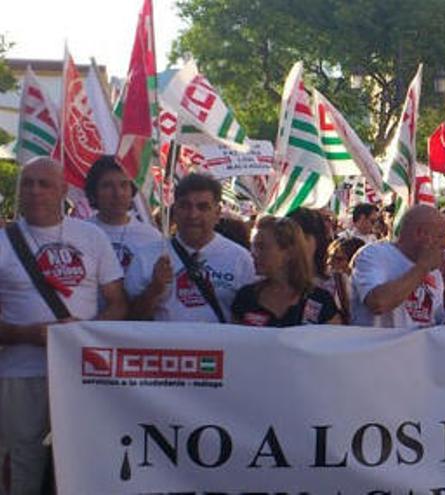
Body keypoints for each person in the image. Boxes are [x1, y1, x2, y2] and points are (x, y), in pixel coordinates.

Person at [0, 157, 127, 494]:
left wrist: (81, 335)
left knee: (81, 462)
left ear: (63, 191)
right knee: (22, 463)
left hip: (81, 372)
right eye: (27, 183)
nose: (34, 191)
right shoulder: (3, 241)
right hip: (20, 373)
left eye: (44, 184)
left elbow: (118, 303)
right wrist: (27, 334)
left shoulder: (92, 237)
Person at [125, 173, 255, 322]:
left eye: (203, 207)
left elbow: (249, 322)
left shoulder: (240, 259)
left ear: (217, 213)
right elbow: (130, 319)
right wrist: (154, 290)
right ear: (175, 210)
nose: (193, 215)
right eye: (185, 206)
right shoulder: (147, 256)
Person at [350, 205, 445, 328]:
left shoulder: (434, 272)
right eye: (440, 236)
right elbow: (378, 303)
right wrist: (422, 267)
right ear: (419, 233)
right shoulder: (373, 255)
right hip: (378, 346)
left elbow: (437, 321)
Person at [232, 217, 341, 326]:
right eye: (253, 246)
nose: (253, 253)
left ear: (289, 252)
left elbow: (333, 340)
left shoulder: (320, 300)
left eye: (261, 247)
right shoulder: (246, 297)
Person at [83, 155, 162, 272]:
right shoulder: (80, 234)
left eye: (124, 185)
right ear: (94, 192)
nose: (118, 193)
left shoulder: (151, 237)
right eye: (108, 186)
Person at [326, 237, 366, 324]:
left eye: (339, 259)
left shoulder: (366, 285)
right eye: (330, 256)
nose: (329, 262)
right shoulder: (331, 280)